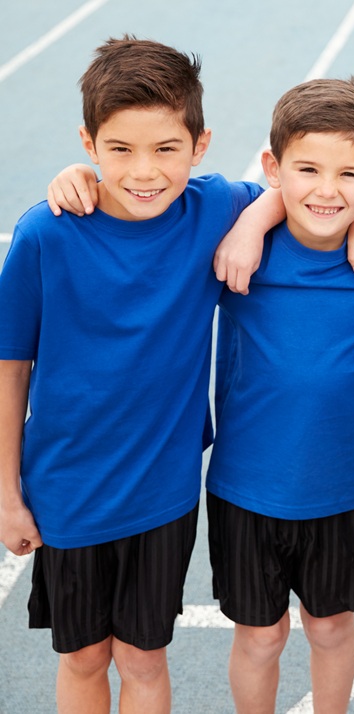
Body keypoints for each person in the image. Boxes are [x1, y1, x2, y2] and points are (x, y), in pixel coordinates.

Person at [0, 37, 268, 714]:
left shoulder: (213, 211)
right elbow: (9, 372)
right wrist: (7, 494)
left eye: (164, 149)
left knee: (144, 658)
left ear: (200, 145)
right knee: (84, 656)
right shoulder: (46, 235)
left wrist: (255, 220)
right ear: (88, 143)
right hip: (67, 488)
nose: (143, 171)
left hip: (161, 490)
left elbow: (310, 187)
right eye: (119, 150)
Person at [201, 77, 354, 714]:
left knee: (331, 628)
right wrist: (258, 215)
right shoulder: (237, 244)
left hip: (344, 487)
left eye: (349, 174)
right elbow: (152, 193)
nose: (326, 188)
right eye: (306, 169)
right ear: (272, 167)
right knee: (259, 636)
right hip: (245, 486)